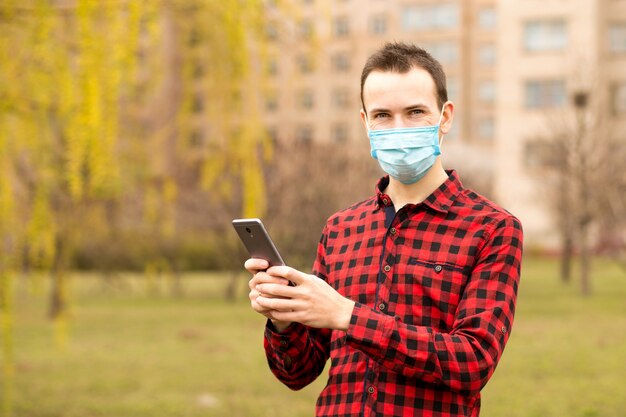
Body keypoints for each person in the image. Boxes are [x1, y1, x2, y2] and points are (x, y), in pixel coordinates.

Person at [245, 42, 523, 417]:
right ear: (365, 123)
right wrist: (282, 318)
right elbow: (298, 373)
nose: (398, 128)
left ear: (445, 117)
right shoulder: (341, 228)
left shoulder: (492, 228)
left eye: (415, 112)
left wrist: (349, 315)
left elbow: (473, 362)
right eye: (382, 115)